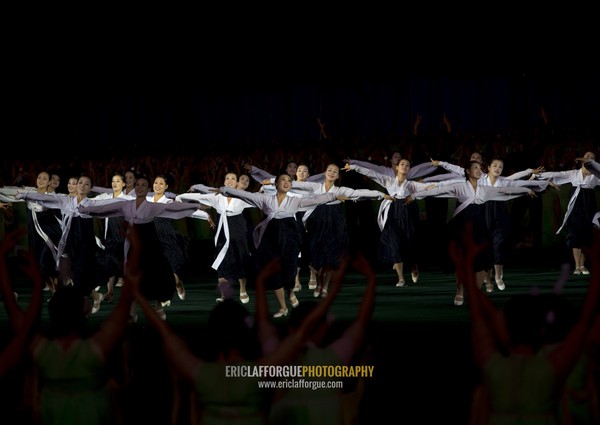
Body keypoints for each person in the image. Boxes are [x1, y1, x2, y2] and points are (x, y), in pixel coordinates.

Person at [132, 253, 345, 425]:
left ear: (212, 333)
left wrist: (136, 294)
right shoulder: (257, 373)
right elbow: (303, 331)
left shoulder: (202, 374)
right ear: (245, 332)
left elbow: (166, 334)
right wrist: (334, 290)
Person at [450, 221, 600, 425]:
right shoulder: (551, 368)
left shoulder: (495, 368)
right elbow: (585, 323)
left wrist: (466, 269)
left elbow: (481, 319)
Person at [0, 223, 142, 425]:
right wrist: (134, 250)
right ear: (84, 312)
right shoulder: (95, 350)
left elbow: (12, 307)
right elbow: (126, 296)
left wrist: (32, 281)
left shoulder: (42, 352)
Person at [216, 173, 351, 317]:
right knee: (274, 271)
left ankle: (291, 293)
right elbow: (246, 195)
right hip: (270, 237)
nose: (286, 182)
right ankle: (283, 307)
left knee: (289, 270)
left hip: (289, 237)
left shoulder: (294, 201)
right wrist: (225, 190)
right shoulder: (266, 199)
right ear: (276, 184)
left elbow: (316, 199)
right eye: (283, 180)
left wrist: (334, 196)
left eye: (289, 180)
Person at [405, 161, 537, 306]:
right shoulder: (460, 186)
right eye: (475, 168)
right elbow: (437, 190)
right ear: (467, 171)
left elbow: (505, 190)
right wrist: (415, 195)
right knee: (462, 262)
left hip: (480, 229)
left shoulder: (485, 189)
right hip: (462, 228)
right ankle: (460, 290)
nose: (479, 170)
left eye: (480, 168)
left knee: (482, 262)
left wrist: (526, 190)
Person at [268, 251, 377, 425]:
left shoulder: (277, 358)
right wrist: (370, 279)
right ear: (323, 328)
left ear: (291, 329)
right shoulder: (333, 357)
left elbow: (263, 327)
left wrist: (261, 281)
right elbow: (361, 323)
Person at [78, 175, 207, 321]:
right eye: (138, 184)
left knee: (156, 272)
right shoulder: (125, 204)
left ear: (148, 189)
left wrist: (196, 206)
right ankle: (132, 311)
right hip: (132, 243)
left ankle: (158, 305)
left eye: (143, 185)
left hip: (149, 243)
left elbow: (173, 207)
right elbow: (104, 209)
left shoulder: (152, 206)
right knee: (131, 275)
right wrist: (84, 209)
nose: (139, 187)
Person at [291, 163, 393, 298]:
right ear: (325, 173)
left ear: (338, 176)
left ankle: (325, 287)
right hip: (316, 223)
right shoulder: (316, 187)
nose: (332, 173)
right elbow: (294, 184)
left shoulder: (340, 190)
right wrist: (269, 184)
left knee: (331, 256)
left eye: (335, 171)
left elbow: (359, 193)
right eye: (329, 170)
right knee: (315, 257)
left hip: (334, 225)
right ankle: (319, 282)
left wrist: (381, 195)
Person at [344, 158, 436, 286]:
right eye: (402, 164)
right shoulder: (388, 180)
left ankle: (413, 264)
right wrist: (354, 167)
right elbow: (372, 173)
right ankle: (401, 278)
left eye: (407, 165)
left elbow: (427, 187)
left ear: (409, 169)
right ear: (397, 167)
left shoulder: (411, 184)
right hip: (393, 212)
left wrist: (433, 184)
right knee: (394, 243)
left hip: (408, 211)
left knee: (410, 243)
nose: (404, 166)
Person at [177, 172, 255, 304]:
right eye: (227, 178)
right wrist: (181, 197)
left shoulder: (242, 197)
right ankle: (225, 295)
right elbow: (199, 194)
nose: (230, 180)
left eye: (233, 179)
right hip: (222, 234)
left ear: (237, 183)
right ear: (224, 182)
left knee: (240, 262)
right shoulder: (217, 196)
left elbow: (261, 199)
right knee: (221, 265)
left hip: (238, 234)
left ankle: (242, 288)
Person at [536, 152, 600, 275]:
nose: (589, 159)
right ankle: (577, 266)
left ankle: (582, 265)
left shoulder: (596, 175)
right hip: (576, 204)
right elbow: (557, 174)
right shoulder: (574, 173)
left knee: (585, 235)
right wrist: (539, 176)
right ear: (582, 160)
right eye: (587, 157)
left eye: (592, 158)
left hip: (589, 205)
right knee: (575, 233)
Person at [91, 172, 134, 302]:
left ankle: (129, 294)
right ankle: (110, 292)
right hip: (109, 236)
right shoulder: (106, 197)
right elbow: (91, 201)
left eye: (118, 181)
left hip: (123, 237)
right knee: (109, 261)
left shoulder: (128, 200)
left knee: (123, 265)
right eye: (113, 181)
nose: (115, 183)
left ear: (123, 184)